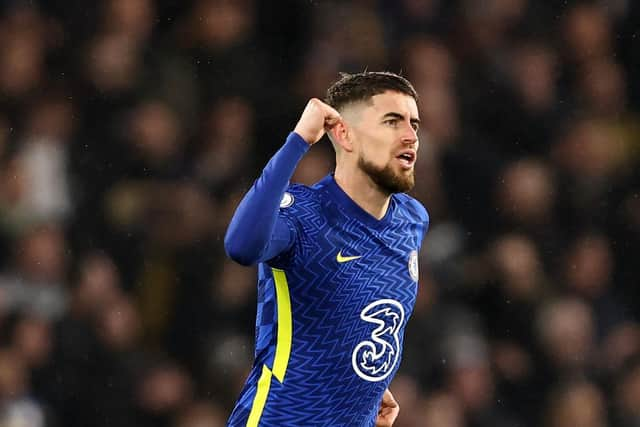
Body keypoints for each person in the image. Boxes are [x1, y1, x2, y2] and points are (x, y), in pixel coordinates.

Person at [224, 71, 429, 426]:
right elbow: (241, 246)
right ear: (343, 134)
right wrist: (299, 140)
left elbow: (359, 314)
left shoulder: (412, 219)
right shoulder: (303, 217)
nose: (410, 136)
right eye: (392, 122)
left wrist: (363, 387)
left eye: (414, 123)